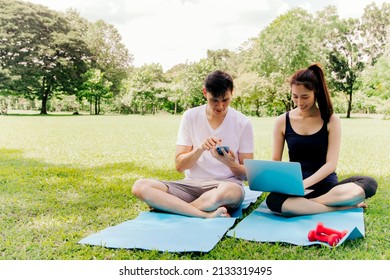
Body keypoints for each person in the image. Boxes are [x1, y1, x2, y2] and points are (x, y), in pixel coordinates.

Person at [132, 70, 254, 218]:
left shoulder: (243, 122)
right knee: (140, 186)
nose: (220, 106)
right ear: (204, 92)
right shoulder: (190, 117)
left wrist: (230, 163)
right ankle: (205, 214)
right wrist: (200, 149)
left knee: (229, 193)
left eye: (225, 100)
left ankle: (175, 208)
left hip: (225, 186)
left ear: (232, 93)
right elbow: (180, 166)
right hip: (191, 186)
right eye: (214, 100)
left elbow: (249, 175)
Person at [265, 63, 378, 217]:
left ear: (315, 92)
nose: (299, 102)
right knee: (273, 200)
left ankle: (308, 206)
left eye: (305, 97)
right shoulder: (282, 121)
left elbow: (331, 164)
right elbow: (275, 161)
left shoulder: (331, 120)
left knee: (369, 183)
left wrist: (304, 184)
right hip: (296, 189)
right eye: (295, 96)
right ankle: (339, 208)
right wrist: (283, 183)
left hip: (327, 188)